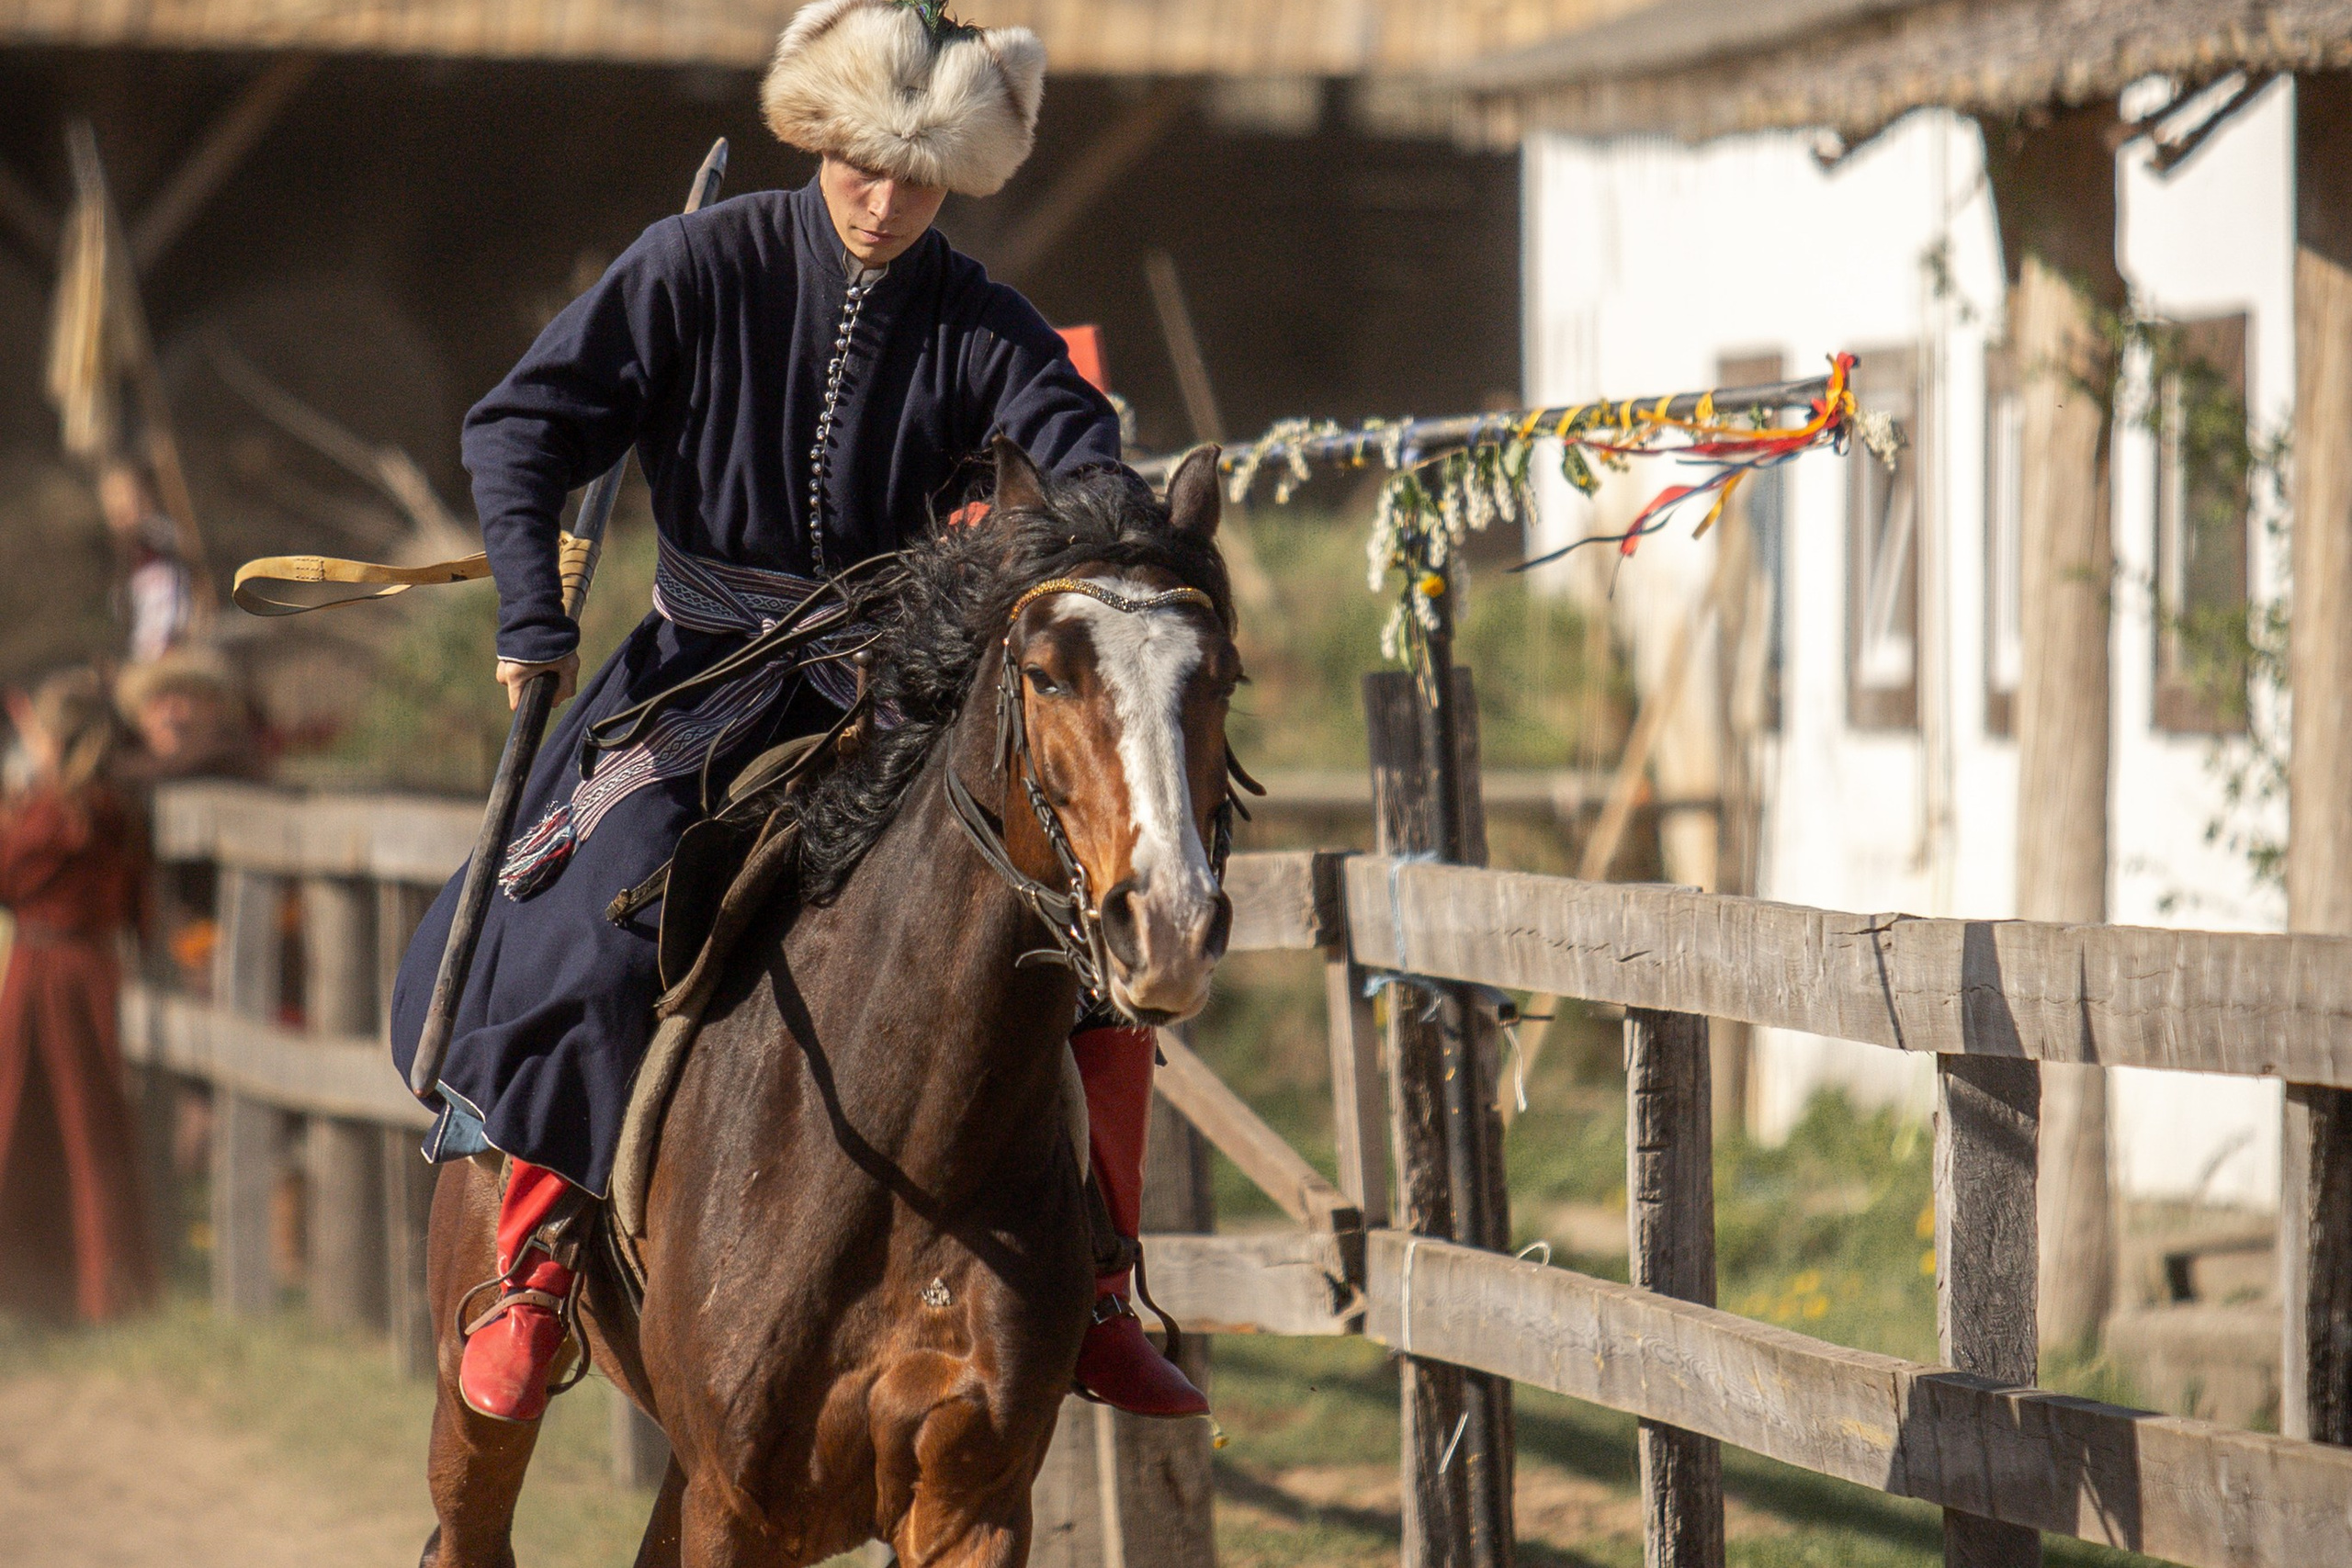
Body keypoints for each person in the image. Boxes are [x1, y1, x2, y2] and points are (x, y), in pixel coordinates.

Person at [389, 0, 1209, 1426]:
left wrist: (1125, 545)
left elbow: (1085, 464)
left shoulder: (985, 324)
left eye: (918, 177)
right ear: (814, 136)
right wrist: (532, 614)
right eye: (857, 167)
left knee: (1068, 947)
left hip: (894, 696)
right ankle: (536, 1255)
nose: (885, 204)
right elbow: (521, 425)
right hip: (693, 683)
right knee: (594, 907)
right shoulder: (695, 264)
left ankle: (1096, 1285)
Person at [0, 668, 157, 1324]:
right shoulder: (103, 806)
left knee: (66, 1123)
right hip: (72, 967)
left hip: (54, 972)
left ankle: (89, 1284)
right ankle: (68, 1280)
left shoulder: (61, 811)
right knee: (63, 1121)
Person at [96, 461, 196, 665]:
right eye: (111, 498)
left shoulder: (163, 542)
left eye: (123, 494)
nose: (119, 505)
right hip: (144, 660)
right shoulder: (119, 566)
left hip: (178, 652)